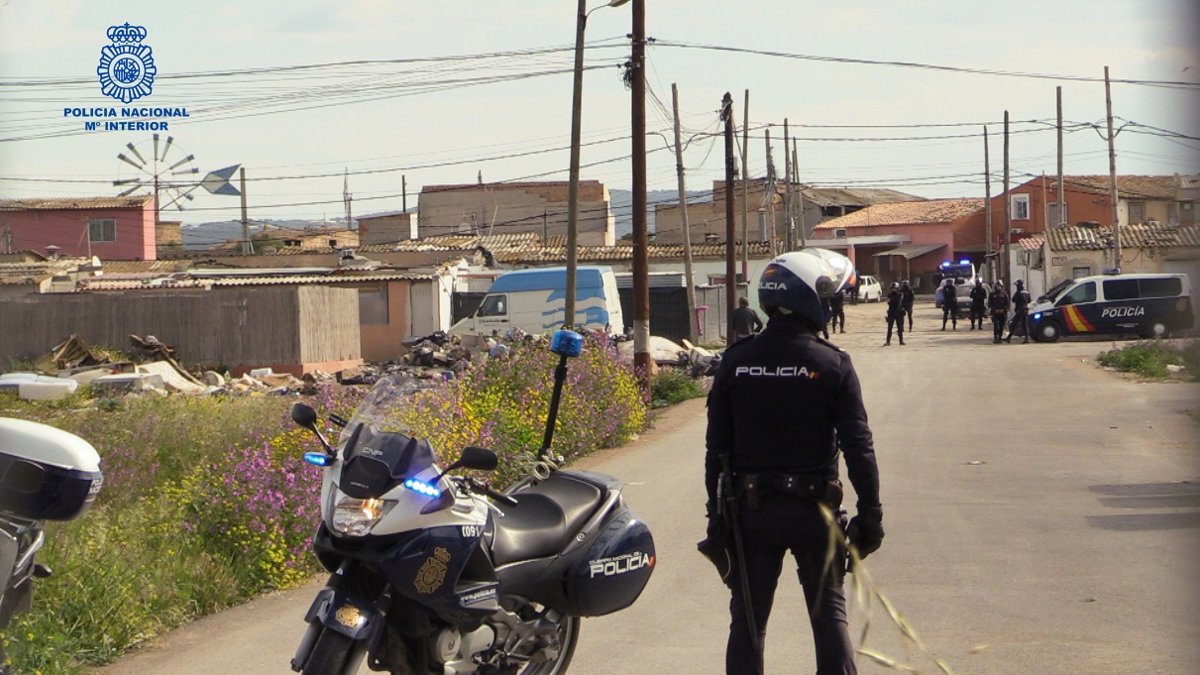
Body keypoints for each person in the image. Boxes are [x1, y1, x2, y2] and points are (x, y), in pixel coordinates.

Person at [704, 251, 883, 675]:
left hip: (751, 513)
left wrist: (716, 516)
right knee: (829, 619)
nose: (831, 304)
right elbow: (859, 447)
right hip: (815, 513)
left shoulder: (736, 360)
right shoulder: (832, 363)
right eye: (827, 296)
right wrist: (871, 515)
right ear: (807, 298)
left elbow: (716, 450)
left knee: (748, 623)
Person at [1004, 279, 1031, 344]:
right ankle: (1027, 338)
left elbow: (1013, 300)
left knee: (1014, 324)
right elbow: (1029, 301)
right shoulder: (1027, 292)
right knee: (1025, 324)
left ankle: (1009, 338)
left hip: (1019, 310)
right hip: (1026, 310)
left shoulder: (1018, 293)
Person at [884, 281, 905, 346]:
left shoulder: (899, 295)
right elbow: (889, 302)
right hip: (891, 313)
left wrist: (891, 300)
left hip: (898, 313)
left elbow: (897, 302)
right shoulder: (889, 295)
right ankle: (888, 341)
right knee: (889, 328)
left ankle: (901, 341)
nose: (894, 290)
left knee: (899, 328)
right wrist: (891, 300)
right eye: (893, 288)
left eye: (895, 288)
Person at [988, 280, 1009, 344]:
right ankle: (995, 337)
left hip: (1002, 313)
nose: (998, 287)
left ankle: (1000, 337)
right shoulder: (992, 294)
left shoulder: (1004, 294)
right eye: (997, 286)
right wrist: (994, 309)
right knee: (996, 325)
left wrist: (1003, 309)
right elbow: (990, 303)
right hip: (995, 313)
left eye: (999, 286)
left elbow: (1007, 303)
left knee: (1001, 325)